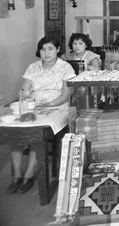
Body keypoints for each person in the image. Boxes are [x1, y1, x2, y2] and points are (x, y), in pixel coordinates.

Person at [7, 36, 76, 195]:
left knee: (35, 134)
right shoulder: (33, 67)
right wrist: (25, 98)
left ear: (58, 50)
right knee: (15, 132)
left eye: (50, 49)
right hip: (33, 105)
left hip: (56, 107)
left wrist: (47, 105)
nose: (46, 53)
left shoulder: (65, 68)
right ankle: (18, 175)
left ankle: (30, 175)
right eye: (43, 49)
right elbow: (25, 90)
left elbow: (65, 96)